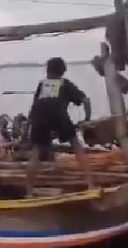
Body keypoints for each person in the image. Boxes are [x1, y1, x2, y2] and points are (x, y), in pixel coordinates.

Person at [26, 56, 94, 195]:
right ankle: (91, 184)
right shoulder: (65, 83)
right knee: (76, 146)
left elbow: (33, 107)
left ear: (48, 71)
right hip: (57, 112)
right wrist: (87, 118)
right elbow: (86, 100)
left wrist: (27, 128)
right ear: (62, 71)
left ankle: (28, 192)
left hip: (38, 114)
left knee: (36, 152)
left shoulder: (42, 84)